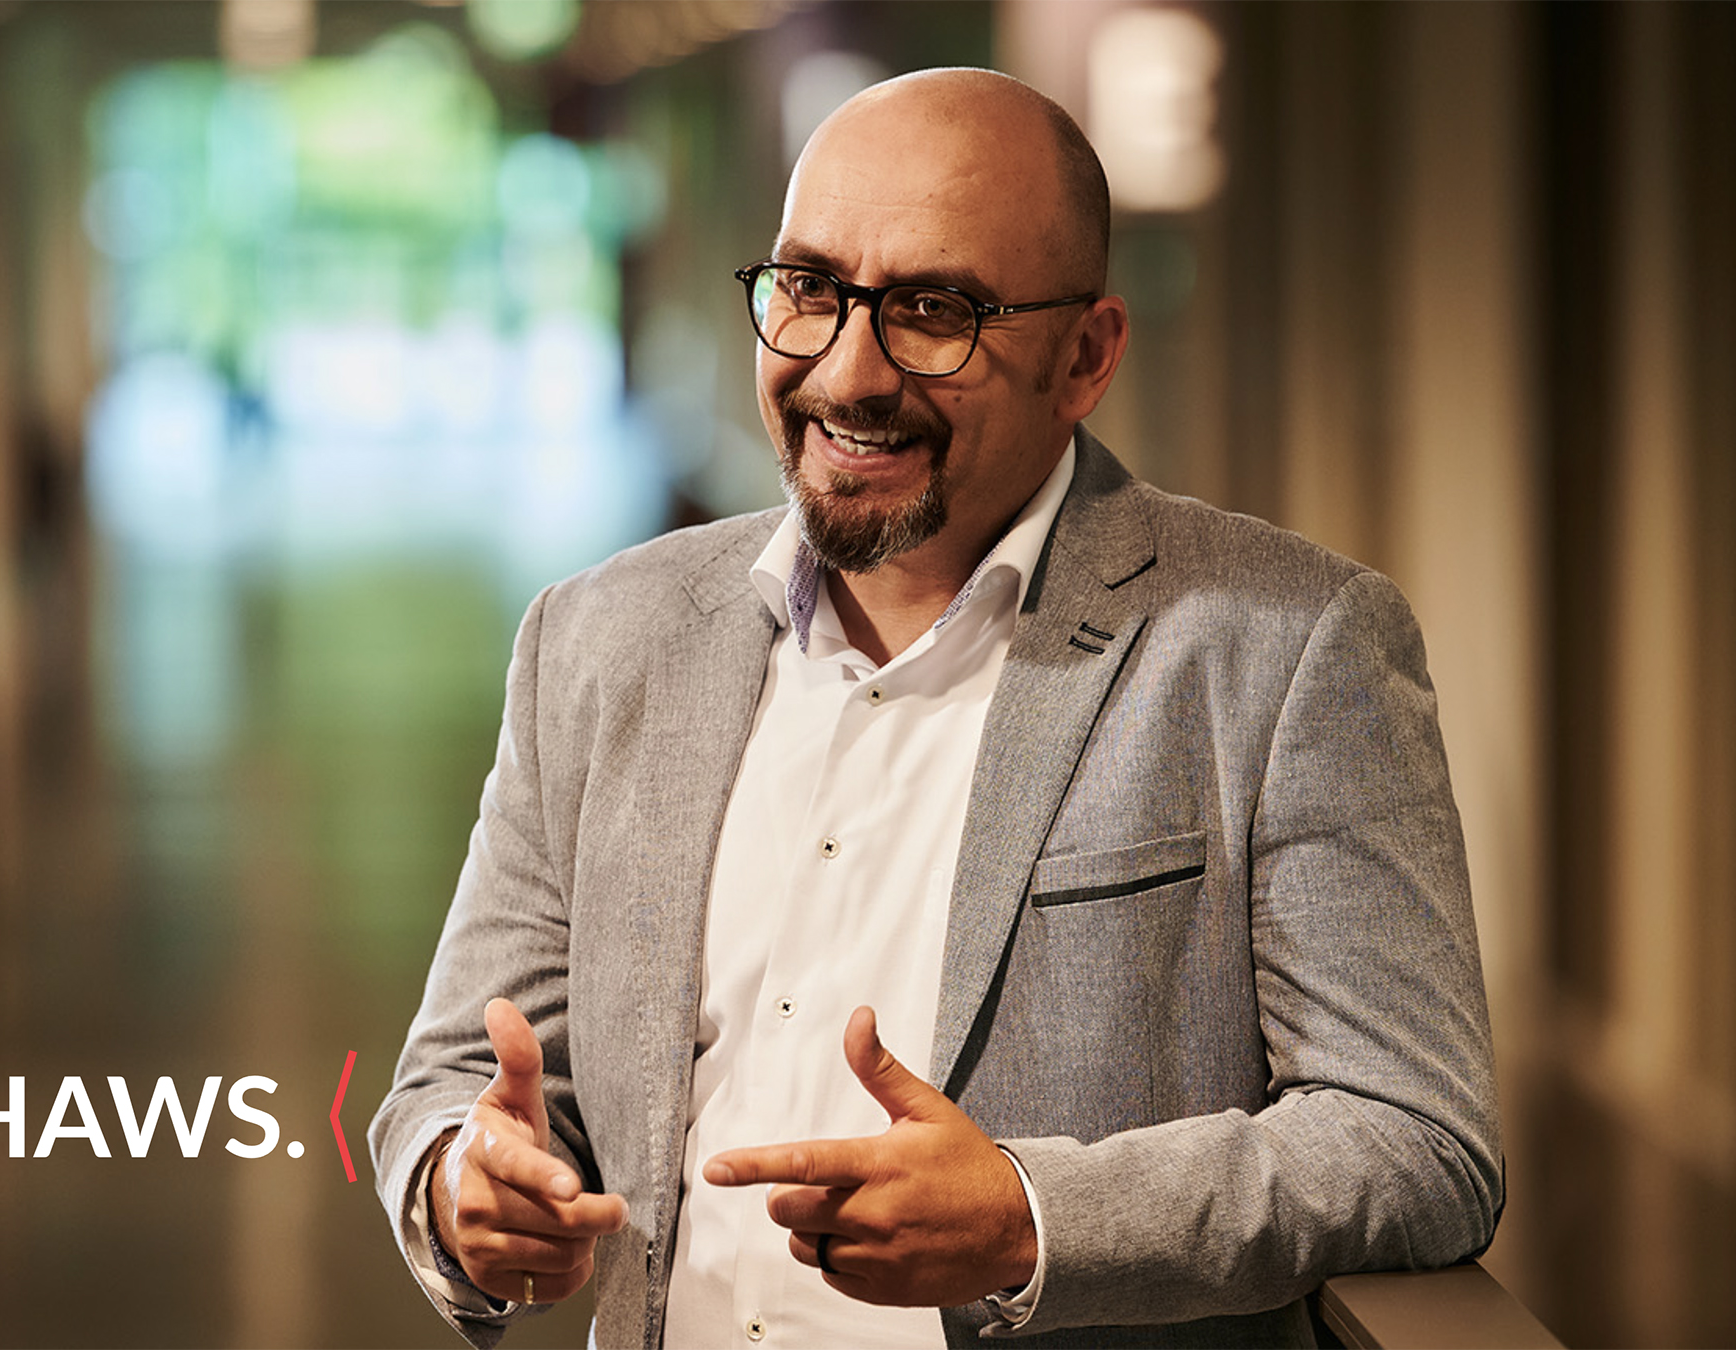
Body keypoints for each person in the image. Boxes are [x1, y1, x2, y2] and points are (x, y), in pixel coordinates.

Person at [368, 67, 1501, 1348]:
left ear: (1085, 356)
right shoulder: (597, 639)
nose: (848, 372)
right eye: (809, 288)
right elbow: (454, 1082)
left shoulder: (1286, 649)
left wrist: (1035, 1219)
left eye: (932, 311)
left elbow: (1420, 1140)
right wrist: (467, 1187)